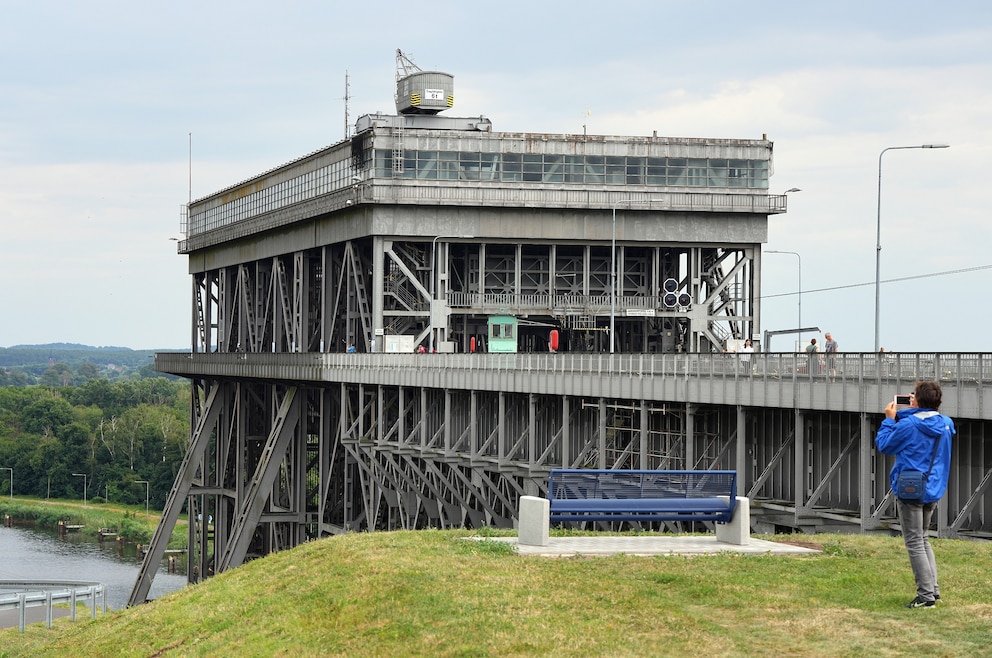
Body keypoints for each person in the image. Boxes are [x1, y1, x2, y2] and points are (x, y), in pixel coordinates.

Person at [875, 380, 955, 609]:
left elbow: (885, 445)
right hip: (933, 487)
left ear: (917, 400)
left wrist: (890, 420)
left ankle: (926, 596)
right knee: (923, 538)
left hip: (911, 487)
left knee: (914, 542)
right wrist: (914, 411)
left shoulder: (908, 425)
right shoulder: (946, 423)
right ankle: (933, 589)